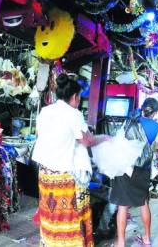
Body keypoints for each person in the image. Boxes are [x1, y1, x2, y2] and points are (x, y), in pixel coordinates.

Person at [32, 73, 109, 247]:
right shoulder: (73, 114)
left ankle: (50, 242)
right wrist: (103, 138)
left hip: (45, 173)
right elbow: (88, 141)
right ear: (74, 97)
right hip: (64, 176)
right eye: (79, 97)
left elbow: (46, 134)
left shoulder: (45, 110)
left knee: (50, 213)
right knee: (70, 216)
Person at [110, 97, 158, 247]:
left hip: (124, 168)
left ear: (142, 108)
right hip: (143, 170)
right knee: (143, 203)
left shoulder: (129, 121)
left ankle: (121, 243)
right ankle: (147, 239)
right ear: (155, 112)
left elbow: (117, 141)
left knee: (122, 206)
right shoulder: (157, 127)